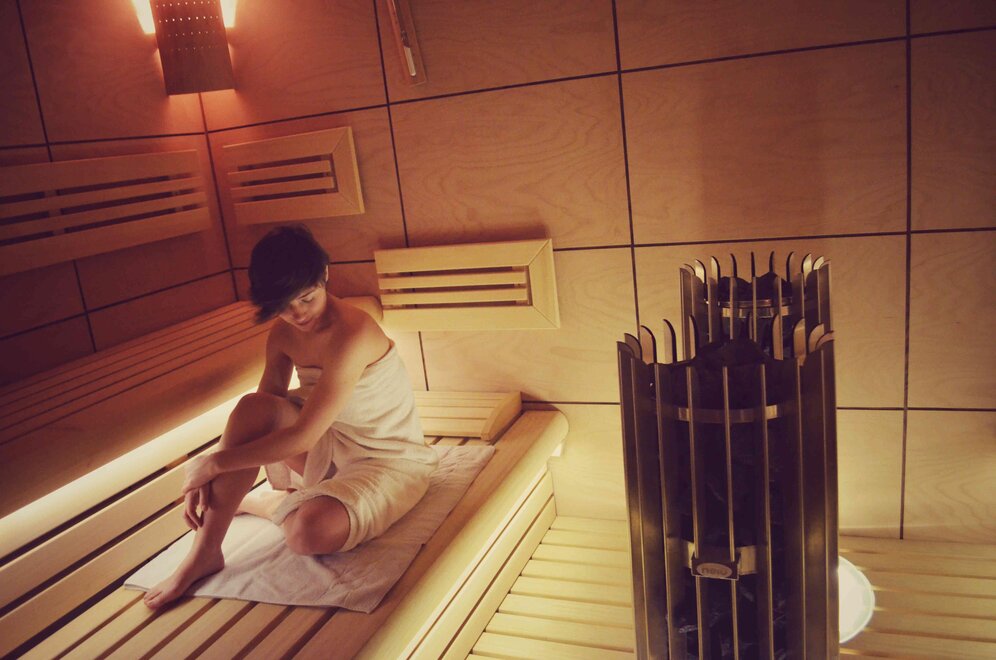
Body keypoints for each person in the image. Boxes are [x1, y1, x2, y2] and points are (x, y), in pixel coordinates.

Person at [143, 225, 438, 610]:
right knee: (252, 406)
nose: (296, 313)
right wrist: (211, 470)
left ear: (325, 275)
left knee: (307, 534)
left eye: (306, 298)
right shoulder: (283, 335)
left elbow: (301, 437)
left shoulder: (352, 333)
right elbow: (262, 413)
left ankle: (267, 504)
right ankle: (205, 552)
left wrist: (213, 464)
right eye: (283, 305)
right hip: (329, 448)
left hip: (386, 461)